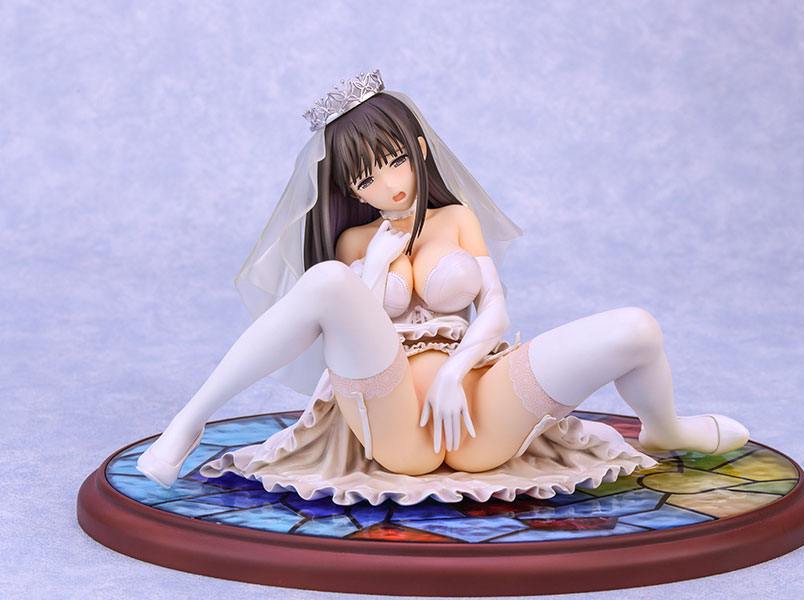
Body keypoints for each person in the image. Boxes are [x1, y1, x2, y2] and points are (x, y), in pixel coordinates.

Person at [137, 70, 749, 505]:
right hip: (396, 418)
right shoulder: (355, 244)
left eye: (395, 160)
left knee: (636, 328)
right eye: (366, 179)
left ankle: (665, 426)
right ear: (350, 191)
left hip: (478, 408)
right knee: (328, 281)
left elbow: (495, 308)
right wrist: (375, 262)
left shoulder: (456, 219)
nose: (389, 184)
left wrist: (457, 371)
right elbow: (348, 327)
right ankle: (189, 421)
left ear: (420, 150)